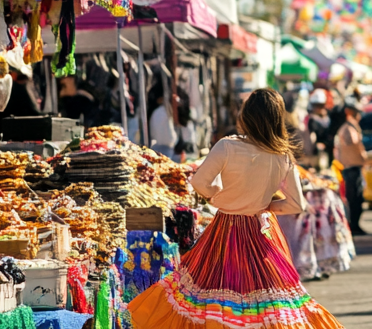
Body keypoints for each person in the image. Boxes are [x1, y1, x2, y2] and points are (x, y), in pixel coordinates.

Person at [128, 88, 342, 329]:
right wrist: (263, 204)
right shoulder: (282, 155)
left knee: (210, 293)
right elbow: (296, 204)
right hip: (261, 233)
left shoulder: (227, 146)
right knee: (268, 298)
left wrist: (220, 199)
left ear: (246, 116)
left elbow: (199, 182)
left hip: (224, 231)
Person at [335, 101, 368, 236]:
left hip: (354, 168)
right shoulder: (349, 129)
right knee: (354, 200)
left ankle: (354, 225)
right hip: (351, 169)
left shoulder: (351, 127)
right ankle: (353, 225)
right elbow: (353, 143)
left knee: (357, 199)